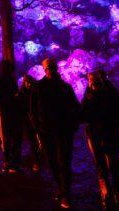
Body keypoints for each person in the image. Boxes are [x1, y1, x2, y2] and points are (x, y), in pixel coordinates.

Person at [30, 58, 80, 209]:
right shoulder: (38, 88)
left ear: (55, 69)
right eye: (48, 67)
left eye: (52, 67)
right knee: (52, 162)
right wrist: (38, 129)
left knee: (63, 162)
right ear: (45, 70)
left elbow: (75, 108)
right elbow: (32, 110)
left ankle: (66, 193)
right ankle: (62, 188)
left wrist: (72, 126)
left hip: (63, 131)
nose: (50, 70)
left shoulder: (65, 87)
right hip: (47, 131)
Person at [81, 69, 119, 210]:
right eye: (93, 83)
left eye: (98, 82)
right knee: (101, 165)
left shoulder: (111, 94)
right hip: (95, 135)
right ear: (89, 83)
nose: (95, 85)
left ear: (103, 81)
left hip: (109, 133)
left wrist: (113, 125)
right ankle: (106, 195)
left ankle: (118, 194)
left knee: (113, 164)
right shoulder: (88, 96)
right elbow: (83, 115)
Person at [0, 59, 22, 173]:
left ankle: (7, 161)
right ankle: (11, 161)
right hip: (9, 111)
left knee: (7, 137)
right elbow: (13, 95)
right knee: (11, 137)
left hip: (5, 112)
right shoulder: (10, 81)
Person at [19, 74, 42, 172]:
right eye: (26, 82)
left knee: (41, 140)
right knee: (33, 141)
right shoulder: (22, 93)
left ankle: (41, 159)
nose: (28, 84)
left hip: (38, 119)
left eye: (29, 82)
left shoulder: (37, 91)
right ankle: (36, 161)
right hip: (28, 121)